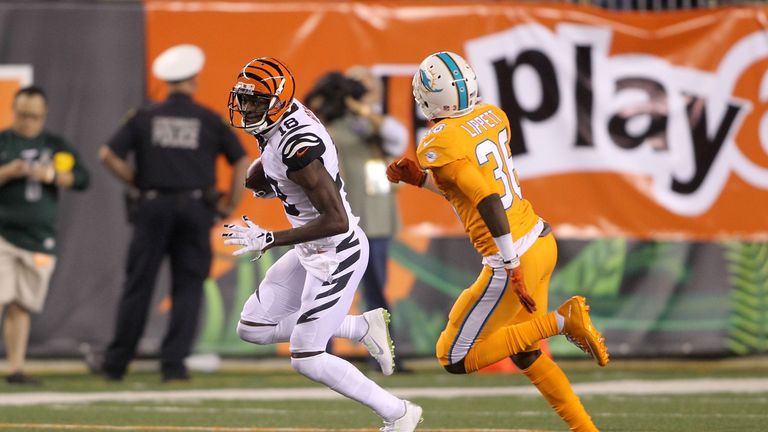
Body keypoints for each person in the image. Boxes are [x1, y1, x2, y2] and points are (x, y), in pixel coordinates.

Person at [387, 51, 609, 432]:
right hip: (539, 239)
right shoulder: (491, 116)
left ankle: (560, 320)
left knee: (453, 356)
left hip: (513, 254)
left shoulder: (438, 141)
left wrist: (510, 264)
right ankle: (586, 429)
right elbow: (474, 191)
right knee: (524, 352)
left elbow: (489, 200)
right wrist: (423, 181)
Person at [221, 57, 422, 431]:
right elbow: (278, 155)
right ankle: (359, 328)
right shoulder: (285, 121)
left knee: (307, 356)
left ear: (278, 103)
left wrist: (270, 238)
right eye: (244, 99)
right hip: (311, 251)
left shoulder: (299, 146)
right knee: (251, 328)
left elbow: (336, 220)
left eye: (256, 102)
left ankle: (398, 413)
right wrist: (267, 177)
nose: (247, 109)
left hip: (337, 252)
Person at [96, 44, 248, 382]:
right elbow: (241, 160)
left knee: (139, 285)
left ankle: (116, 364)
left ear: (167, 82)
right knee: (188, 287)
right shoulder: (209, 119)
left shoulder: (143, 117)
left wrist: (138, 182)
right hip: (196, 208)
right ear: (193, 81)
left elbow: (107, 154)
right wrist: (230, 204)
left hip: (153, 206)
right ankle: (174, 365)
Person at [305, 68, 411, 372]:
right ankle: (317, 354)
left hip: (375, 223)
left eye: (363, 90)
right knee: (329, 288)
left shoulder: (374, 127)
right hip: (338, 224)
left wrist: (358, 109)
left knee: (376, 291)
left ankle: (382, 356)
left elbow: (397, 137)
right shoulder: (328, 126)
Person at [0, 86, 90, 385]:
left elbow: (81, 178)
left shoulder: (54, 144)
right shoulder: (4, 141)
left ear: (44, 115)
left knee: (21, 305)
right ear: (14, 111)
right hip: (3, 232)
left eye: (34, 117)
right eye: (23, 115)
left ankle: (15, 368)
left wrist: (50, 175)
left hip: (39, 237)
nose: (28, 122)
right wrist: (8, 172)